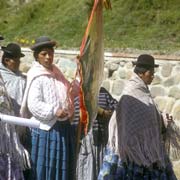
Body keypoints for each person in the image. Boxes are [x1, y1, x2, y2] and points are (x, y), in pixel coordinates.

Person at [98, 54, 178, 179]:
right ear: (141, 73)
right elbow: (128, 124)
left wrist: (162, 120)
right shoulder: (131, 94)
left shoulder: (144, 92)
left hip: (148, 152)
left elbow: (150, 117)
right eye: (150, 72)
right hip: (131, 155)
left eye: (153, 72)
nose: (152, 76)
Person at [20, 36, 79, 180]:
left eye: (50, 53)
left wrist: (80, 74)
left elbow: (69, 93)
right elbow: (34, 104)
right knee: (46, 171)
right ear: (37, 56)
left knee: (62, 172)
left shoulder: (57, 74)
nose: (48, 57)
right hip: (47, 131)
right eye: (43, 54)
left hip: (63, 128)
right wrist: (54, 110)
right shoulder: (36, 76)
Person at [72, 86, 118, 180]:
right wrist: (99, 111)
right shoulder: (80, 92)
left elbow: (117, 107)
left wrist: (109, 113)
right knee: (87, 170)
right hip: (86, 140)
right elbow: (77, 114)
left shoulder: (103, 92)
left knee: (100, 169)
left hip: (102, 139)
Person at [0, 36, 27, 180]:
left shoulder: (20, 77)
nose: (18, 63)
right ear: (6, 61)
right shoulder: (3, 76)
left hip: (11, 128)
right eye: (16, 60)